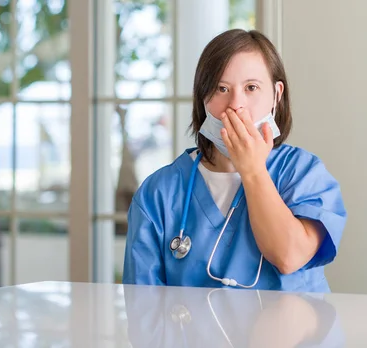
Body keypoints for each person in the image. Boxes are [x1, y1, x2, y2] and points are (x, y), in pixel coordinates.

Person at [122, 29, 347, 292]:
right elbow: (143, 311)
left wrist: (252, 171)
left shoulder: (304, 174)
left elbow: (289, 257)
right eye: (221, 88)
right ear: (203, 98)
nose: (236, 105)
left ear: (276, 94)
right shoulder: (158, 192)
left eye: (251, 88)